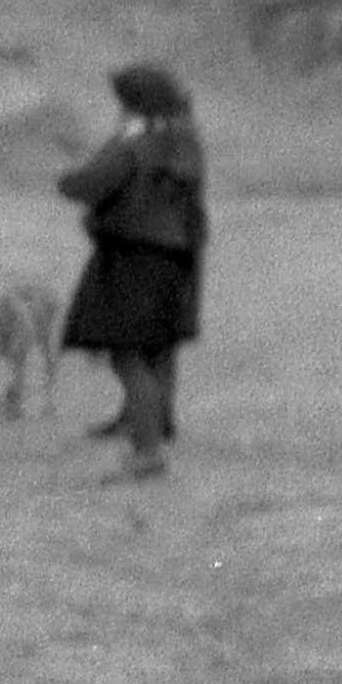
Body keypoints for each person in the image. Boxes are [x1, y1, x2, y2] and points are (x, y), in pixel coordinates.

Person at [58, 62, 204, 475]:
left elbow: (89, 184)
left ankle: (148, 452)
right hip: (172, 259)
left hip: (130, 259)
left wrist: (66, 179)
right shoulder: (180, 143)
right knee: (154, 351)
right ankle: (153, 439)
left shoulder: (133, 146)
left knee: (127, 355)